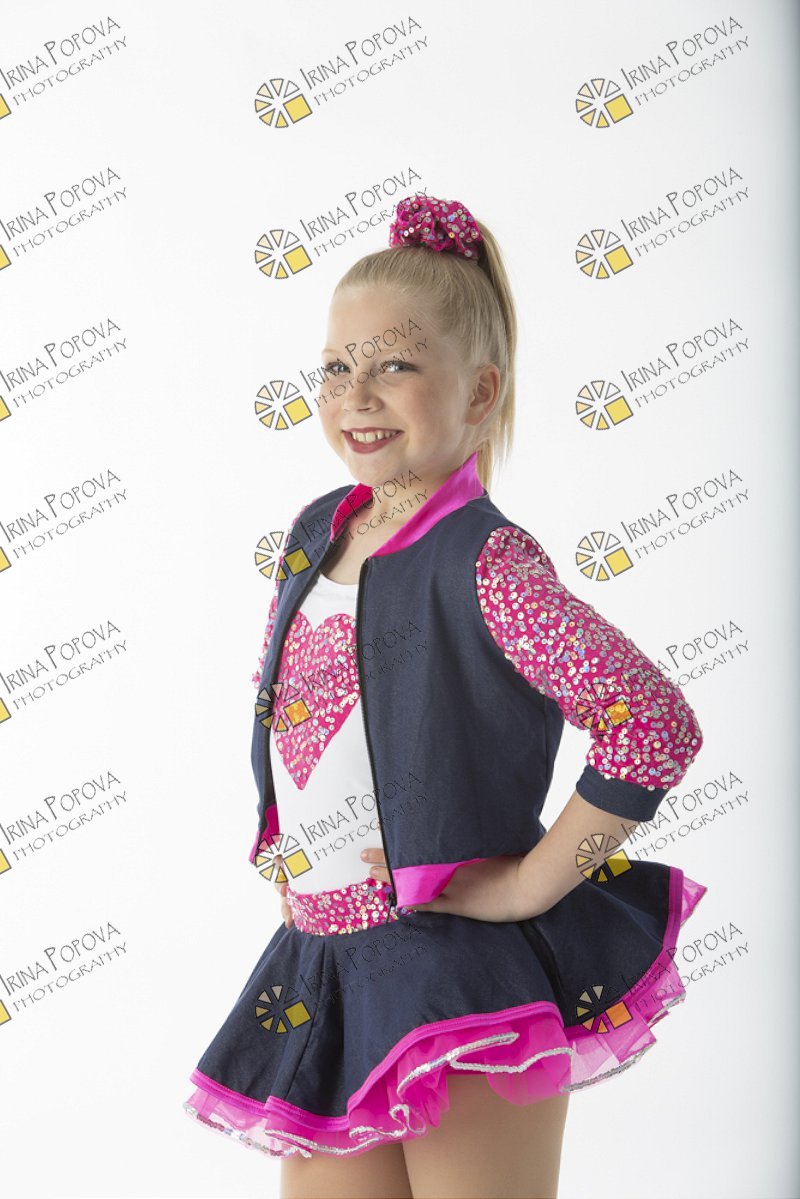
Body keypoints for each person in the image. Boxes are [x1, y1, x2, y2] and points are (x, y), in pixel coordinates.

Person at [182, 193, 708, 1199]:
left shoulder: (486, 564)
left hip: (458, 972)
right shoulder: (315, 532)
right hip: (324, 960)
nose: (355, 394)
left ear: (479, 391)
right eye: (335, 366)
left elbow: (650, 721)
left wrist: (530, 883)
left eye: (394, 365)